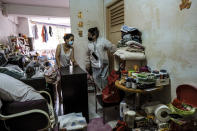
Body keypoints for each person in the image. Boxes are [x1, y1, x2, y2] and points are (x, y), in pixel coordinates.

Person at [87, 27, 116, 91]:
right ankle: (100, 91)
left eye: (89, 34)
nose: (88, 36)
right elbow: (88, 55)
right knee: (95, 78)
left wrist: (118, 51)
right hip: (94, 65)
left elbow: (111, 47)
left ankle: (105, 92)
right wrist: (88, 63)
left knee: (104, 79)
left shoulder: (102, 40)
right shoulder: (89, 44)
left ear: (94, 35)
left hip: (104, 64)